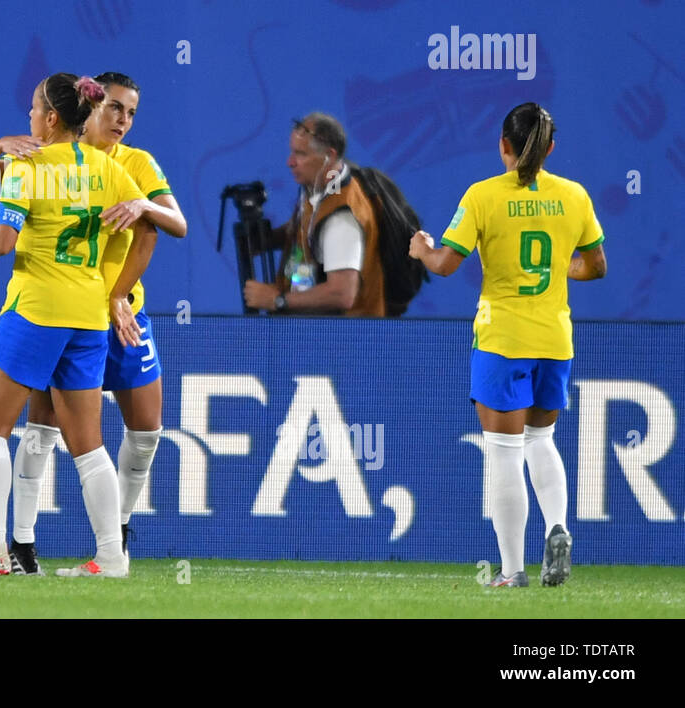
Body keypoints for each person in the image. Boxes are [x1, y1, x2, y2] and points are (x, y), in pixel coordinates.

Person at [0, 72, 187, 574]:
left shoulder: (31, 166)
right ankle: (104, 554)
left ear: (52, 116)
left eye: (34, 112)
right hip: (90, 315)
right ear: (90, 112)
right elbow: (154, 226)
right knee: (85, 443)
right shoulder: (105, 170)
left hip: (41, 308)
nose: (123, 121)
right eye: (115, 109)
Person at [410, 102, 606, 587]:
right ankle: (557, 525)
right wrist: (562, 268)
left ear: (503, 145)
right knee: (541, 440)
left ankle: (513, 571)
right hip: (555, 339)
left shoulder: (483, 196)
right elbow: (596, 266)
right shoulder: (574, 196)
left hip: (502, 340)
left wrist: (420, 249)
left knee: (502, 452)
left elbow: (444, 265)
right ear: (551, 149)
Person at [243, 113, 387, 316]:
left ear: (329, 156)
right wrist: (269, 239)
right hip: (311, 331)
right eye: (292, 152)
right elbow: (310, 233)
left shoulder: (340, 220)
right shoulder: (319, 187)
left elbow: (342, 294)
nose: (290, 162)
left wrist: (277, 300)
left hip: (341, 341)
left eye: (300, 154)